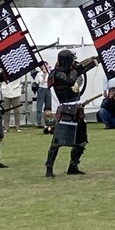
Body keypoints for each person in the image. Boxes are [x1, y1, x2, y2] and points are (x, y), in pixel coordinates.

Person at [44, 50, 99, 178]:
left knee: (81, 141)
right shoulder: (56, 73)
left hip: (77, 109)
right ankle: (49, 167)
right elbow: (70, 80)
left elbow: (84, 68)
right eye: (72, 60)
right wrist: (77, 69)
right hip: (65, 109)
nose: (74, 62)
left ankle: (73, 166)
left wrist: (95, 59)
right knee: (57, 141)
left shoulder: (71, 70)